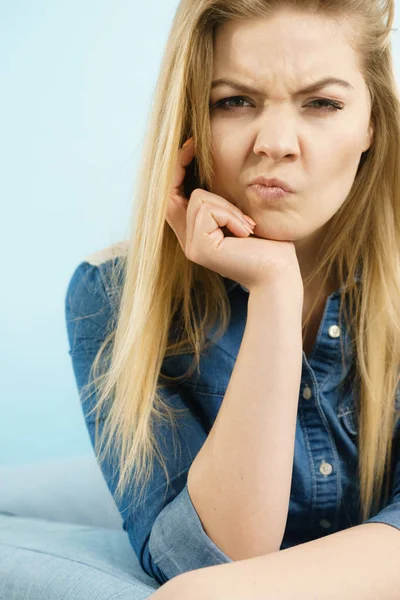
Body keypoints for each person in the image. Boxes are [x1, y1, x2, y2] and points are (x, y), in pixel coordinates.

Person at [2, 0, 399, 598]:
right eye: (234, 101)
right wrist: (274, 288)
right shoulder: (111, 295)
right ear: (189, 120)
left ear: (372, 123)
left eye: (322, 103)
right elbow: (210, 555)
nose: (276, 144)